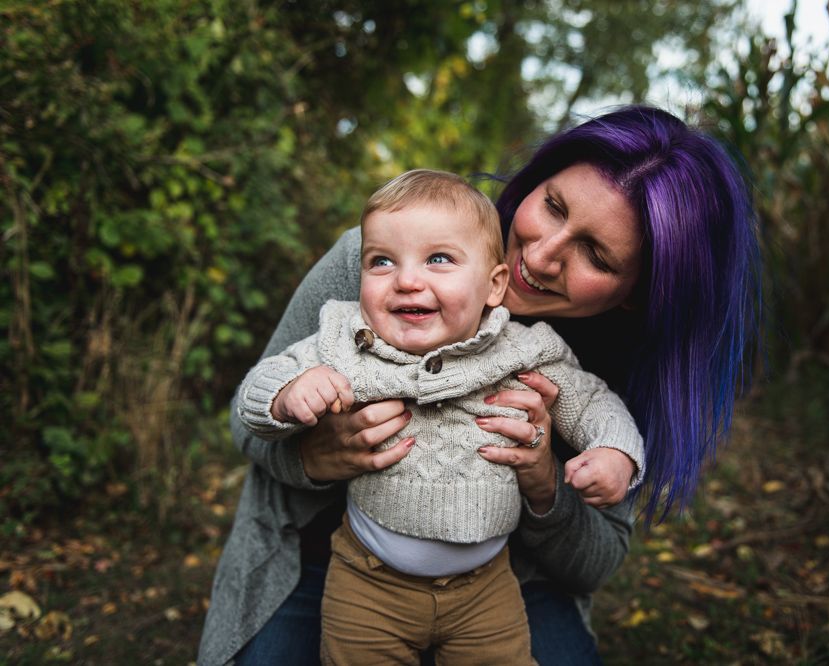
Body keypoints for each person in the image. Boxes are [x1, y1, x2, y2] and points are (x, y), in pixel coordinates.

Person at [198, 105, 760, 666]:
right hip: (333, 553)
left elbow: (597, 561)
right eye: (553, 205)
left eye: (594, 254)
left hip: (503, 578)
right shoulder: (385, 265)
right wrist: (315, 454)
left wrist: (545, 485)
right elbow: (248, 421)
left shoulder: (590, 359)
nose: (539, 257)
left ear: (638, 292)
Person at [235, 169, 645, 664]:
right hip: (366, 580)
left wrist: (613, 453)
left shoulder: (524, 352)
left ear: (493, 285)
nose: (407, 280)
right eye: (381, 262)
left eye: (438, 260)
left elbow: (595, 402)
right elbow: (255, 395)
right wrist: (286, 399)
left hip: (487, 586)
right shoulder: (350, 336)